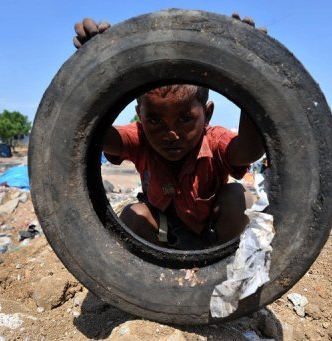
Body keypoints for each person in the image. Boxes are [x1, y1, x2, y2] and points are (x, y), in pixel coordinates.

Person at [73, 15, 265, 249]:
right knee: (134, 214)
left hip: (210, 231)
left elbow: (248, 151)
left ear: (207, 114)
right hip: (162, 235)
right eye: (155, 120)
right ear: (139, 116)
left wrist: (251, 77)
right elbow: (97, 135)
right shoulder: (140, 138)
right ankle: (148, 276)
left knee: (238, 196)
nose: (171, 134)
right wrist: (95, 72)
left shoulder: (213, 140)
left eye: (185, 119)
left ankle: (221, 267)